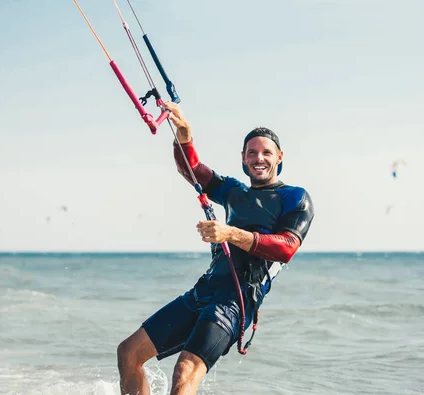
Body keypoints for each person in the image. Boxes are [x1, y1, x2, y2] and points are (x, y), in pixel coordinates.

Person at [117, 102, 315, 395]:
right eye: (251, 152)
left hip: (237, 299)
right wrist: (184, 133)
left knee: (185, 369)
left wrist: (230, 233)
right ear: (243, 158)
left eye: (266, 152)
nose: (258, 158)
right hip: (205, 290)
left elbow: (286, 247)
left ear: (279, 157)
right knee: (129, 352)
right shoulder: (235, 191)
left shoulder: (294, 197)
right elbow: (192, 169)